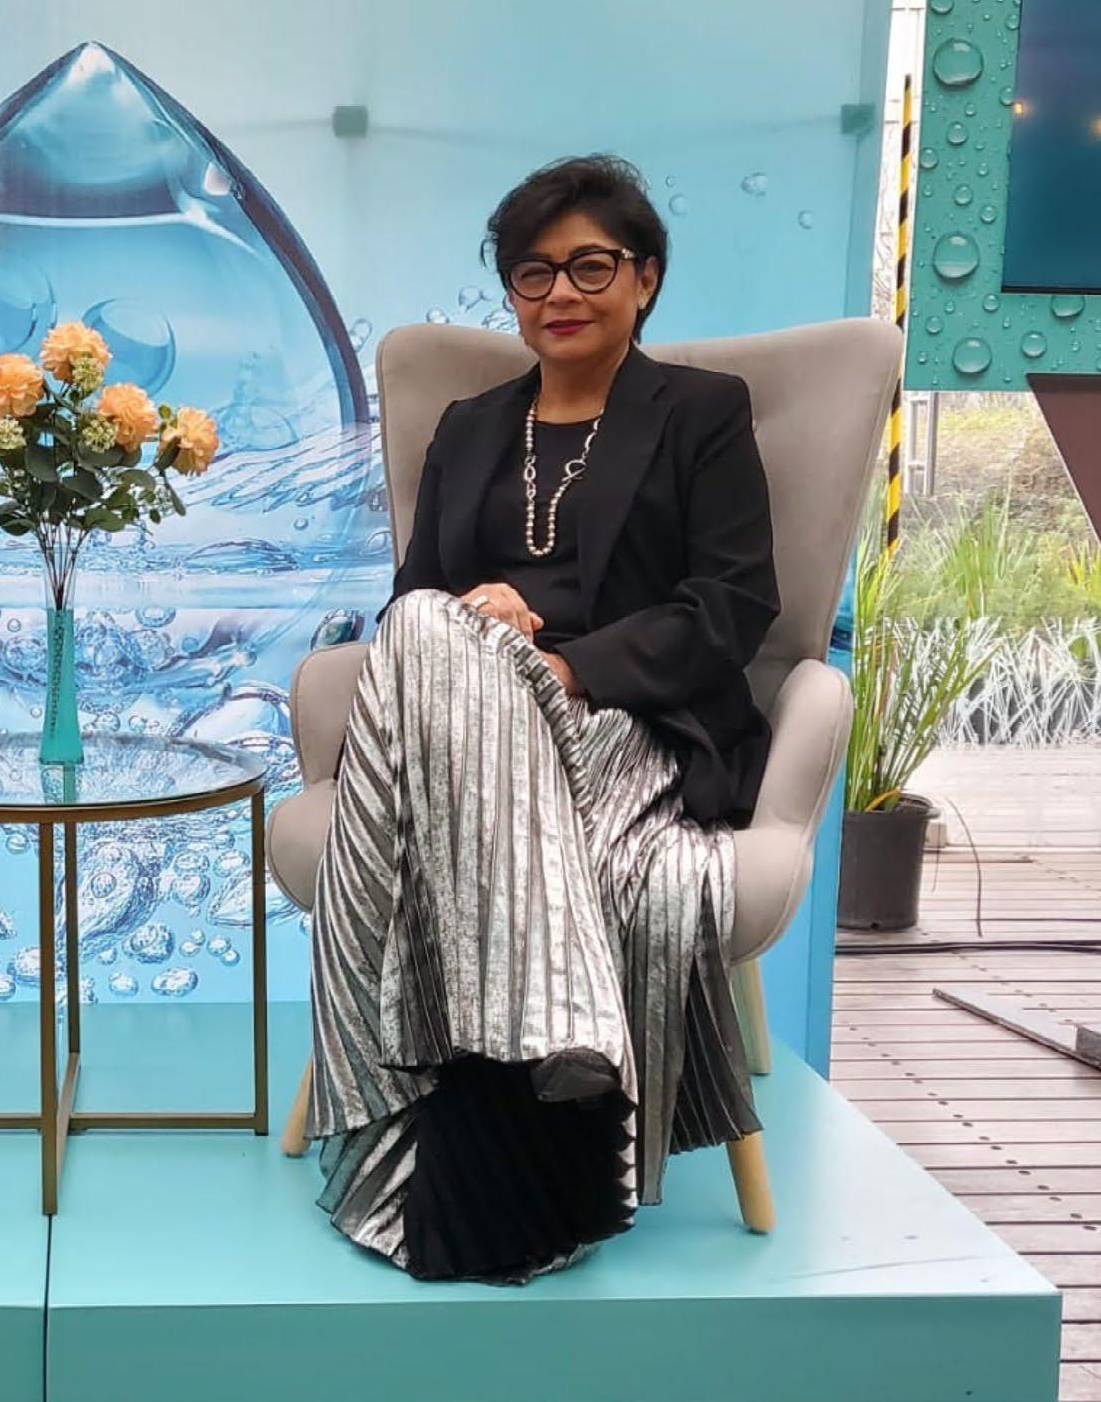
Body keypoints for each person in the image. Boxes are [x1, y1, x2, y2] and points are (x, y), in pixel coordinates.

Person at [307, 154, 775, 1282]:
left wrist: (561, 665)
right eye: (532, 272)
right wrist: (483, 629)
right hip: (461, 714)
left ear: (644, 278)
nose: (559, 292)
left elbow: (732, 605)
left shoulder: (699, 413)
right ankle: (556, 1031)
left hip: (621, 718)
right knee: (427, 621)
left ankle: (490, 1110)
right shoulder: (468, 425)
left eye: (589, 266)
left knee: (436, 636)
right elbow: (413, 603)